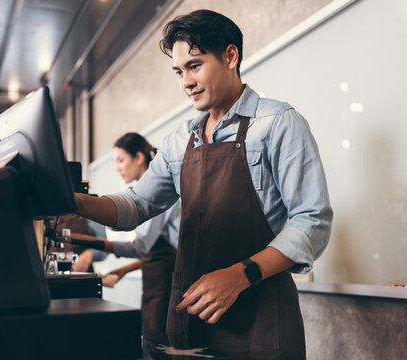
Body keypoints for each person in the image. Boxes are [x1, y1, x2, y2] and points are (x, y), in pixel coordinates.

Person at [72, 9, 332, 359]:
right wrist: (71, 200)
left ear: (230, 56)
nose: (185, 82)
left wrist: (241, 275)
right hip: (195, 316)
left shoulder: (278, 123)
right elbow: (136, 206)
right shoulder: (181, 139)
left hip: (262, 316)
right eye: (179, 71)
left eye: (194, 66)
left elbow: (311, 221)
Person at [71, 132, 180, 346]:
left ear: (138, 157)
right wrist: (122, 270)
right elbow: (151, 252)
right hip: (158, 275)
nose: (117, 168)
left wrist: (85, 240)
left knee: (157, 340)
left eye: (121, 160)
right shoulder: (148, 193)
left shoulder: (159, 193)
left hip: (169, 279)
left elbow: (141, 248)